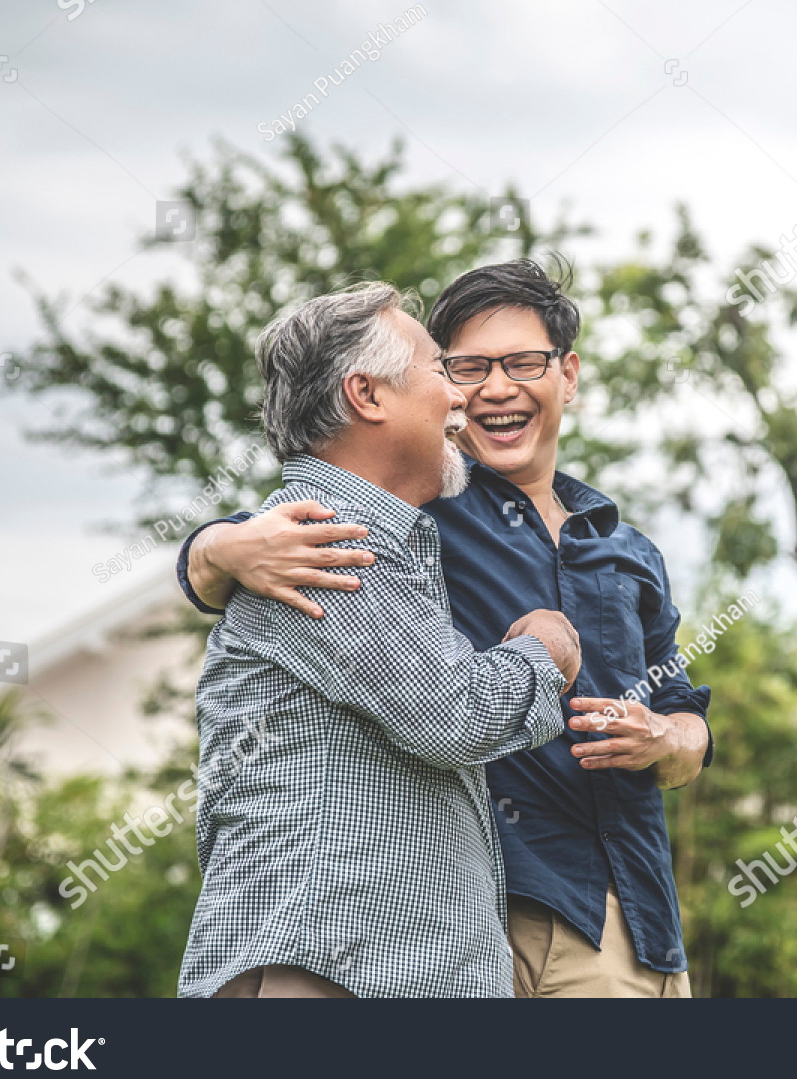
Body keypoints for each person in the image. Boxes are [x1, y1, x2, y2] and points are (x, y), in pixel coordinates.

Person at [180, 260, 711, 997]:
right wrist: (212, 547)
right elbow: (294, 526)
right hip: (481, 919)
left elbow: (686, 714)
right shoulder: (414, 509)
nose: (484, 390)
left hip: (622, 919)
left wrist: (669, 738)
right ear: (374, 394)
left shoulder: (627, 550)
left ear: (569, 375)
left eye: (523, 362)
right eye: (459, 367)